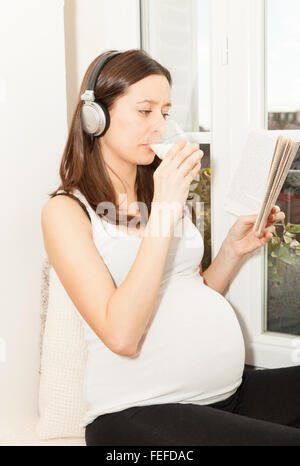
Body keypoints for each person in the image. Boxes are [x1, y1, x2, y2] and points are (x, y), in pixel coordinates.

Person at [41, 49, 300, 446]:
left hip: (226, 397)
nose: (160, 126)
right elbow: (122, 335)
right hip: (137, 415)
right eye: (145, 111)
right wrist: (165, 208)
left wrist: (232, 251)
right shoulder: (67, 211)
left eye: (164, 112)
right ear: (97, 117)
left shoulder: (157, 195)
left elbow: (188, 292)